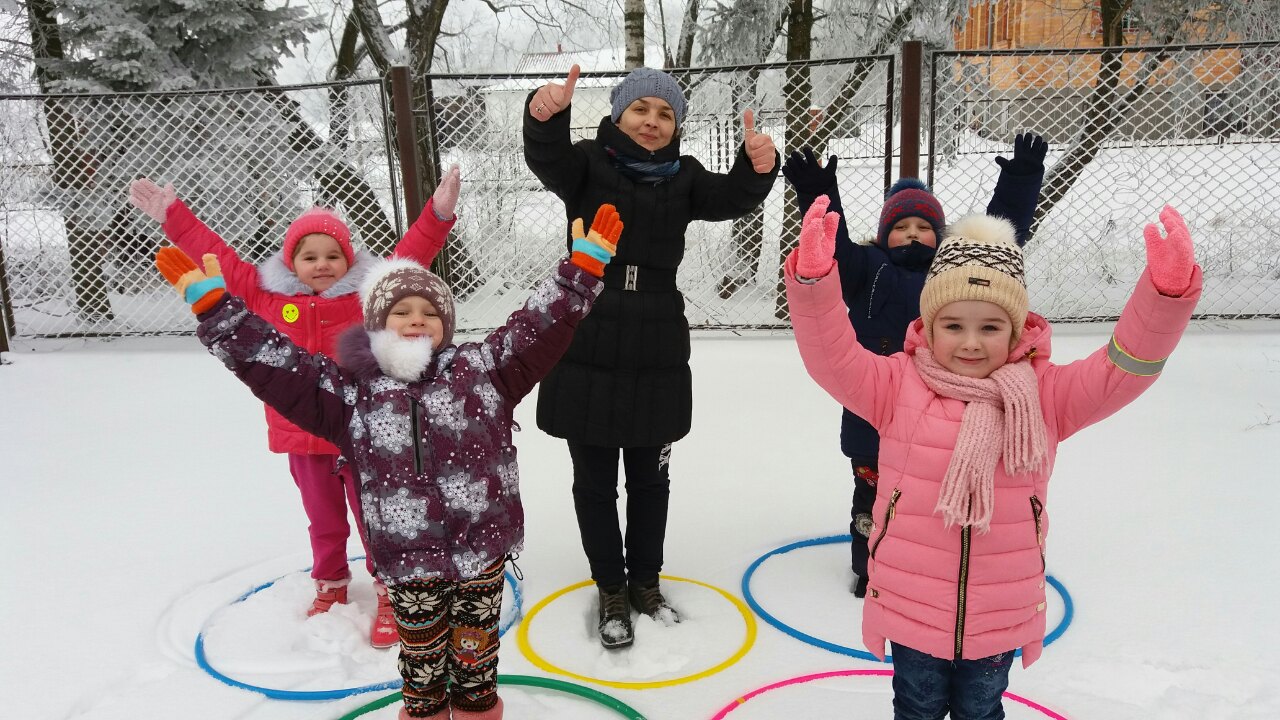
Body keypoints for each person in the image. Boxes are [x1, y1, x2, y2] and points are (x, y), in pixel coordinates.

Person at [153, 205, 624, 720]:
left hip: (481, 548)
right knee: (421, 664)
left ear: (446, 323)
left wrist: (579, 275)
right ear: (377, 324)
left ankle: (476, 710)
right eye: (401, 312)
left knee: (475, 657)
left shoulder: (483, 370)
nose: (415, 318)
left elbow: (536, 329)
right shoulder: (349, 392)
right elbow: (278, 367)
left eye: (428, 310)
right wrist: (220, 313)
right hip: (408, 557)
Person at [785, 197, 1201, 719]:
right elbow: (831, 356)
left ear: (1017, 329)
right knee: (916, 706)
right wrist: (813, 284)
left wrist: (1163, 298)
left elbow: (1124, 369)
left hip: (998, 610)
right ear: (929, 324)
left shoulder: (1043, 396)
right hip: (912, 602)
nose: (971, 343)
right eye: (954, 325)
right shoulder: (896, 385)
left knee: (982, 711)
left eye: (990, 327)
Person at [129, 168, 461, 647]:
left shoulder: (364, 297)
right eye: (310, 256)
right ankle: (330, 585)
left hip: (358, 431)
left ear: (349, 261)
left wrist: (438, 215)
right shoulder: (264, 295)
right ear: (292, 262)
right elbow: (215, 256)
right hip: (300, 435)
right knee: (322, 518)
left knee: (375, 515)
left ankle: (391, 588)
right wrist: (173, 216)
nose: (322, 264)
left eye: (333, 256)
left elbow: (411, 254)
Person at [523, 64, 780, 648]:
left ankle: (645, 581)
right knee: (593, 481)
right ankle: (610, 586)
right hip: (586, 326)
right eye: (641, 109)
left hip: (656, 340)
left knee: (650, 479)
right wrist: (545, 114)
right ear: (618, 115)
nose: (652, 121)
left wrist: (757, 164)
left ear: (677, 126)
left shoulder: (684, 177)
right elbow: (547, 156)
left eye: (665, 113)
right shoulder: (587, 164)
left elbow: (732, 196)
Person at [781, 134, 1047, 597]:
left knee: (928, 492)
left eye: (923, 227)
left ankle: (935, 567)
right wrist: (816, 192)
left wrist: (1020, 179)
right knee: (872, 496)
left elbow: (1003, 235)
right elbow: (832, 243)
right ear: (884, 234)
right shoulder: (867, 266)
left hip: (943, 411)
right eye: (900, 226)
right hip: (876, 406)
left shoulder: (952, 269)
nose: (911, 234)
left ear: (940, 236)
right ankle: (869, 569)